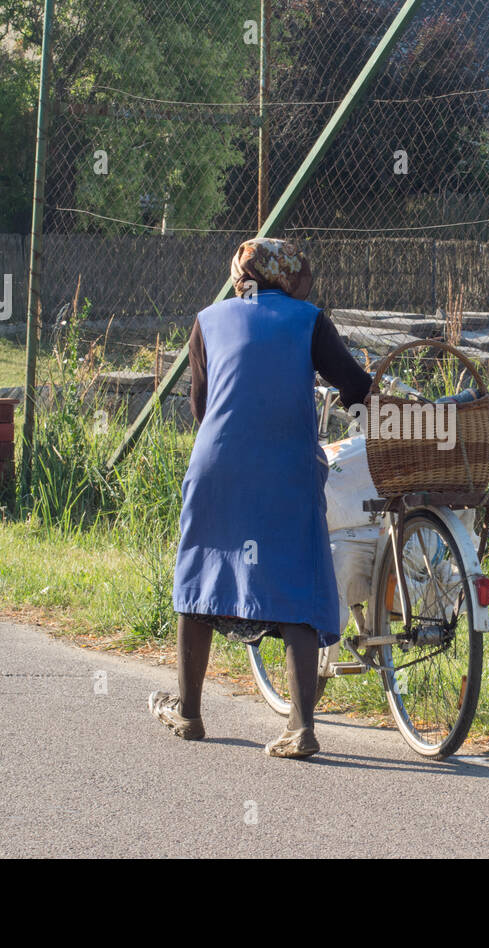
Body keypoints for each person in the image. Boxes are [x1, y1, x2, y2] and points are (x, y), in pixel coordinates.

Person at [149, 238, 372, 759]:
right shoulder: (308, 320)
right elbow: (355, 385)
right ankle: (300, 726)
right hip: (286, 467)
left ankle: (189, 712)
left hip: (216, 464)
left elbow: (202, 407)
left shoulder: (208, 319)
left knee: (200, 571)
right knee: (295, 573)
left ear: (239, 276)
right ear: (290, 279)